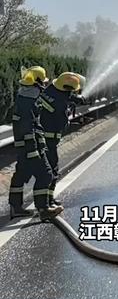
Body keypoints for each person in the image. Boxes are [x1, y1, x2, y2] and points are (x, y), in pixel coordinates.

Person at [8, 66, 63, 221]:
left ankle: (15, 207)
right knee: (46, 174)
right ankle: (43, 209)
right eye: (43, 83)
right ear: (36, 83)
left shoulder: (24, 98)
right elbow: (28, 128)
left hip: (23, 147)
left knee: (21, 175)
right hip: (31, 147)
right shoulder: (29, 102)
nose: (44, 85)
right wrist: (34, 150)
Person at [39, 72, 83, 207]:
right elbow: (63, 124)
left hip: (39, 137)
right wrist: (69, 111)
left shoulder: (49, 90)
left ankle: (45, 200)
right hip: (49, 141)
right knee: (52, 170)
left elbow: (64, 95)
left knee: (42, 171)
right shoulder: (61, 105)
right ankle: (47, 201)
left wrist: (75, 98)